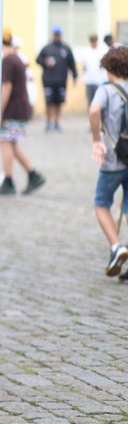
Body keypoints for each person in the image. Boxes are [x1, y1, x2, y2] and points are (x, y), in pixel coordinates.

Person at [89, 46, 128, 279]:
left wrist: (96, 141)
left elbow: (94, 111)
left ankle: (117, 246)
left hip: (113, 159)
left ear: (108, 68)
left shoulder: (106, 90)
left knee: (101, 203)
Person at [0, 29, 46, 196]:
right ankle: (33, 175)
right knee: (11, 143)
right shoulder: (16, 58)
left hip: (12, 109)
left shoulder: (8, 61)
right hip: (20, 108)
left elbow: (6, 87)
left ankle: (9, 180)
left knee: (5, 141)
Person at [36, 26, 78, 132]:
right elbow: (37, 60)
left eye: (58, 34)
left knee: (59, 103)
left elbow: (72, 64)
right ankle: (48, 122)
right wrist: (45, 62)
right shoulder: (47, 48)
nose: (57, 36)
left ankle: (56, 122)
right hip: (48, 80)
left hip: (61, 80)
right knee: (49, 102)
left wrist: (74, 76)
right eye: (55, 34)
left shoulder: (66, 48)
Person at [81, 34, 107, 108]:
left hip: (99, 81)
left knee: (99, 102)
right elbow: (84, 66)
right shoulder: (86, 52)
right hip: (89, 81)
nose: (93, 42)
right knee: (90, 102)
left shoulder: (102, 51)